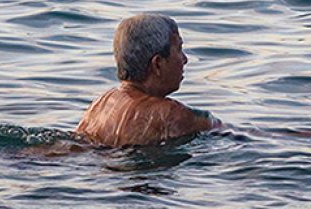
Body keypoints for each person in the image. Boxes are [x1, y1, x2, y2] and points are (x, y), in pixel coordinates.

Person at [76, 13, 223, 147]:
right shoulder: (171, 114)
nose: (185, 59)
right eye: (179, 49)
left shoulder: (102, 103)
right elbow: (228, 134)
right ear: (157, 63)